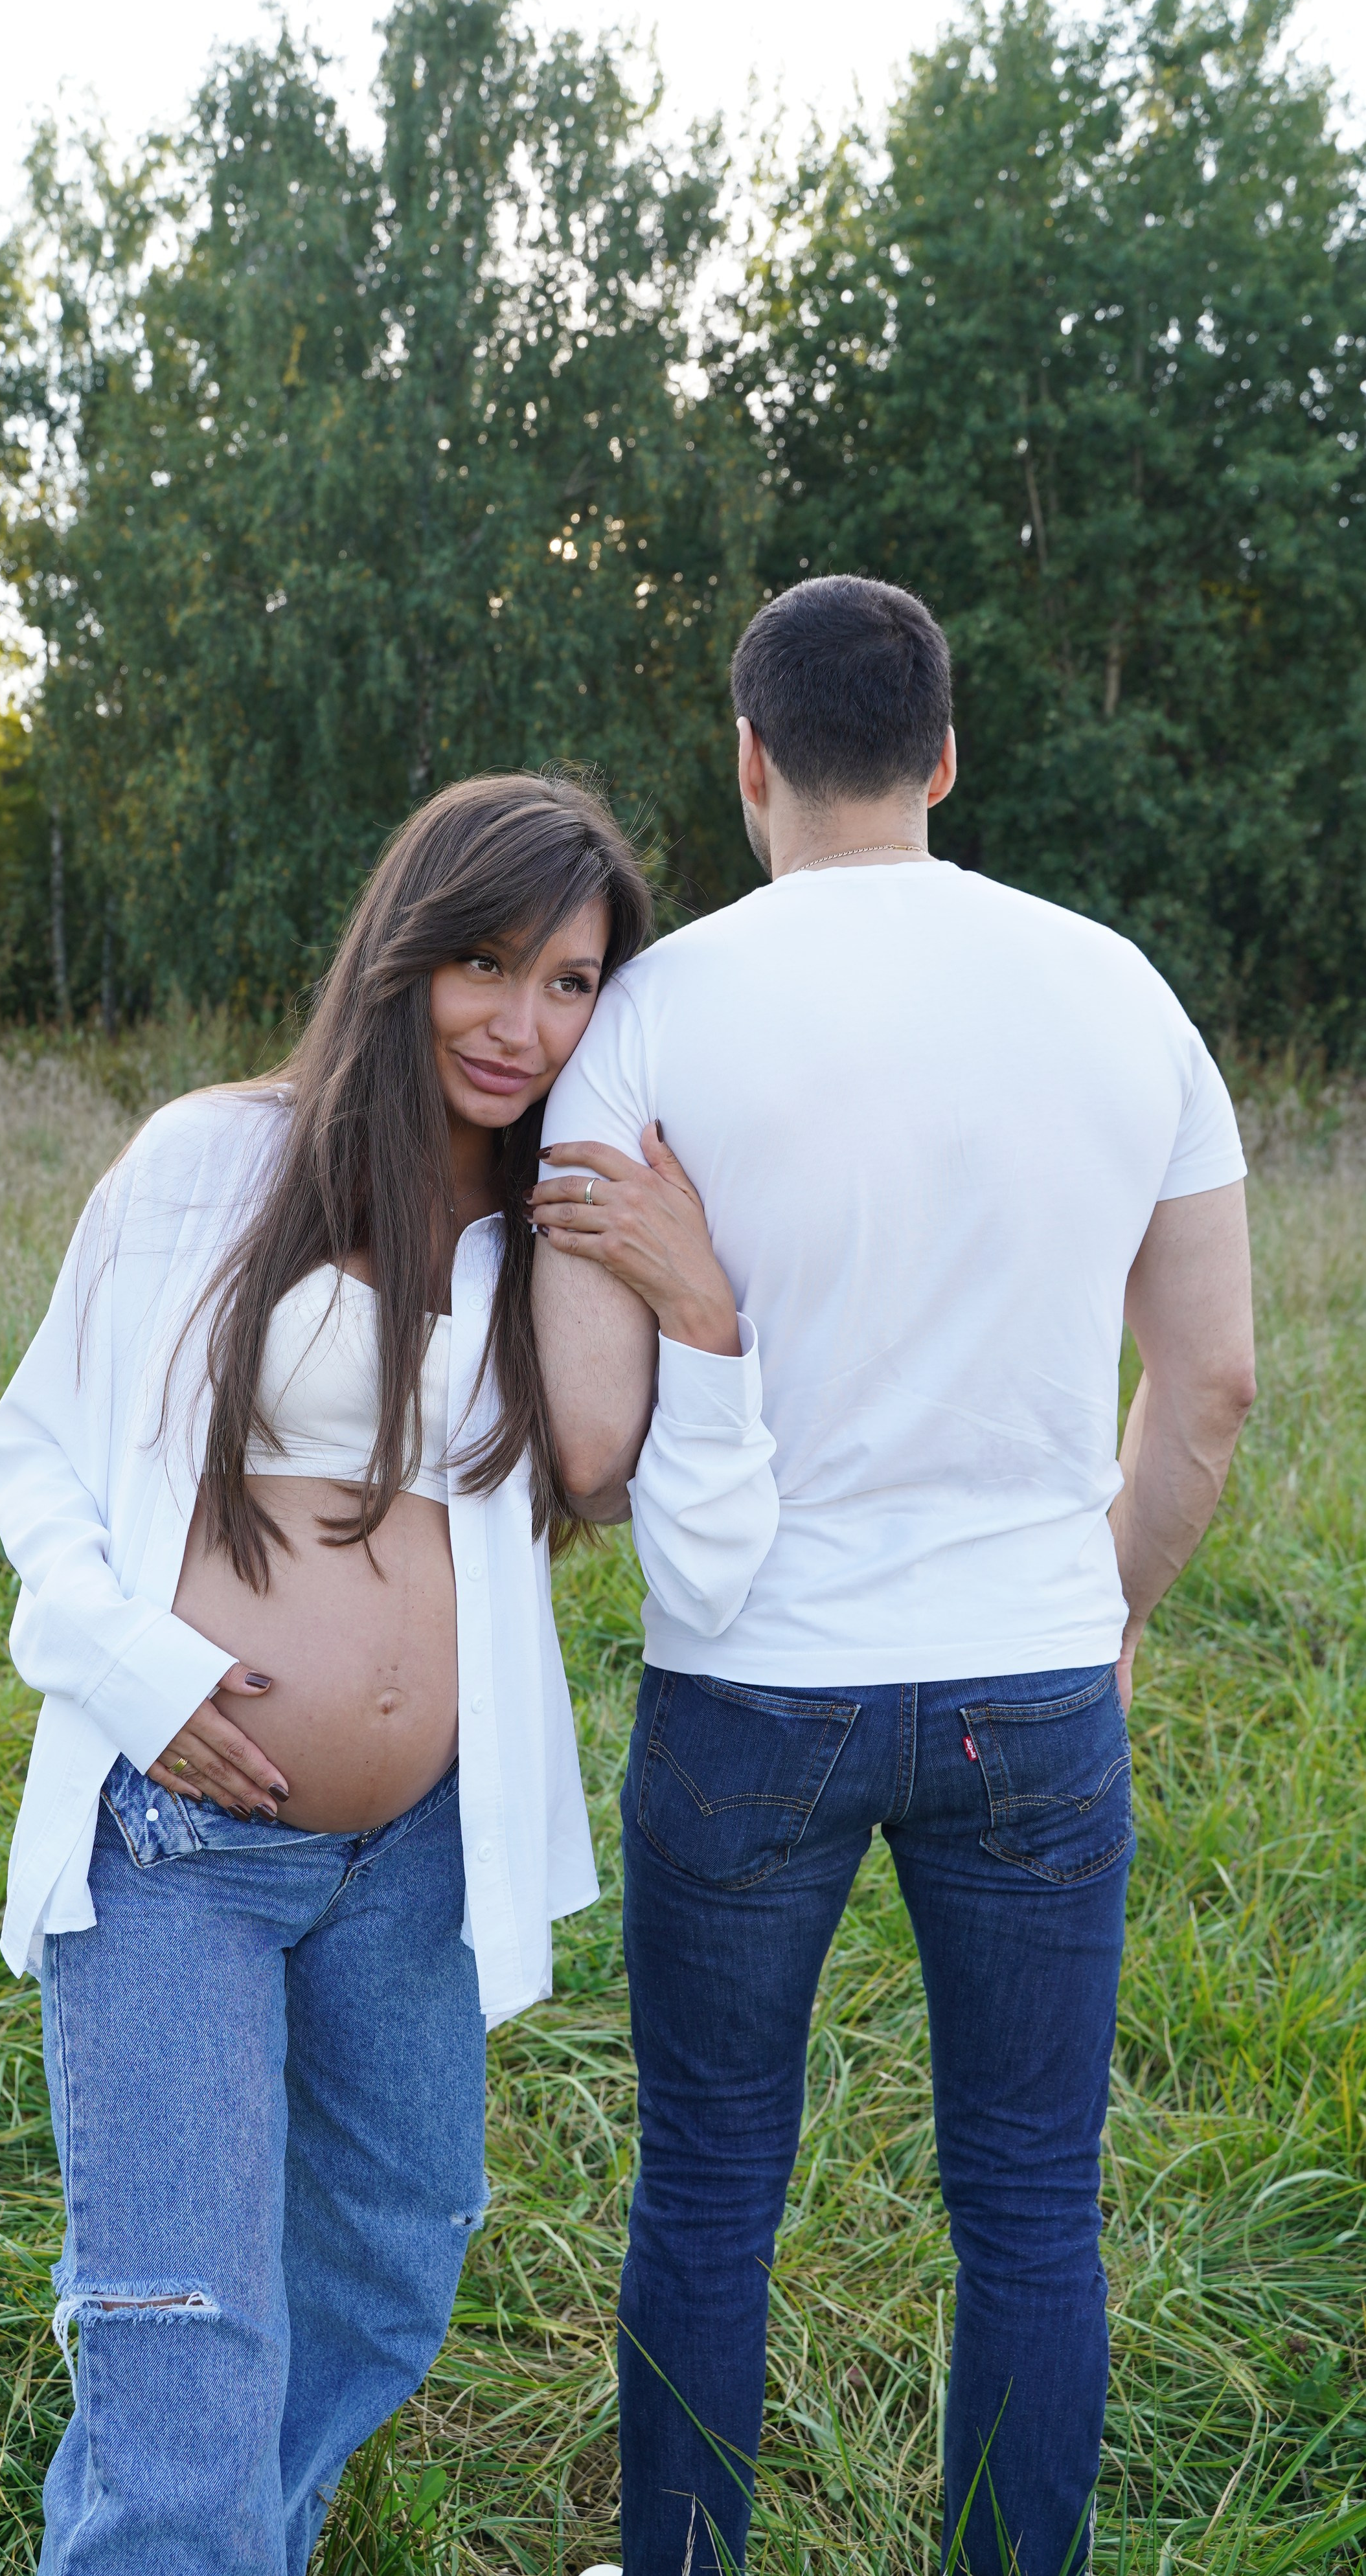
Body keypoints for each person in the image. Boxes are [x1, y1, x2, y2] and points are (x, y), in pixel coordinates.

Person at [530, 578, 1256, 2576]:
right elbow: (1210, 1382)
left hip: (744, 1693)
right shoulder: (1119, 991)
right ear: (944, 757)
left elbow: (588, 1444)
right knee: (1029, 2203)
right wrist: (1099, 1605)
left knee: (703, 2188)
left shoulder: (661, 1011)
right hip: (1026, 1682)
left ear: (747, 761)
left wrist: (697, 1306)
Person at [0, 774, 777, 2576]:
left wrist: (695, 1305)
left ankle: (197, 2535)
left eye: (573, 983)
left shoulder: (545, 1230)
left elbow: (636, 1502)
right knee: (184, 2329)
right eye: (485, 964)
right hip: (179, 1835)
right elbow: (37, 1445)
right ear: (402, 956)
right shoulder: (211, 1158)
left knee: (392, 2262)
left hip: (417, 1858)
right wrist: (127, 1668)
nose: (522, 1023)